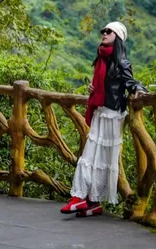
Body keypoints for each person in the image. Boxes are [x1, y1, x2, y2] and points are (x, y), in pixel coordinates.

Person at [60, 21, 147, 218]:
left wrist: (139, 91)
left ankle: (87, 199)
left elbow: (131, 82)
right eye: (104, 31)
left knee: (102, 159)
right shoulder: (101, 58)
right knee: (91, 155)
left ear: (118, 37)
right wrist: (94, 89)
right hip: (100, 112)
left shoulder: (122, 63)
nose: (104, 33)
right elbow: (104, 84)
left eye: (109, 31)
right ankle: (88, 199)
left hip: (113, 115)